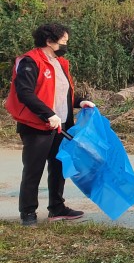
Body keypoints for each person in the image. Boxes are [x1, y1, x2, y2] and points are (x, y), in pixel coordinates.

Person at [5, 23, 96, 226]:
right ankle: (28, 212)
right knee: (33, 169)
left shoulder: (60, 62)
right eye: (63, 41)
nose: (65, 45)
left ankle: (57, 207)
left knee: (58, 166)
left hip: (61, 125)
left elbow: (61, 92)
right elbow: (25, 93)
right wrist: (48, 114)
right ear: (49, 41)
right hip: (37, 125)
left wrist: (79, 101)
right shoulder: (29, 61)